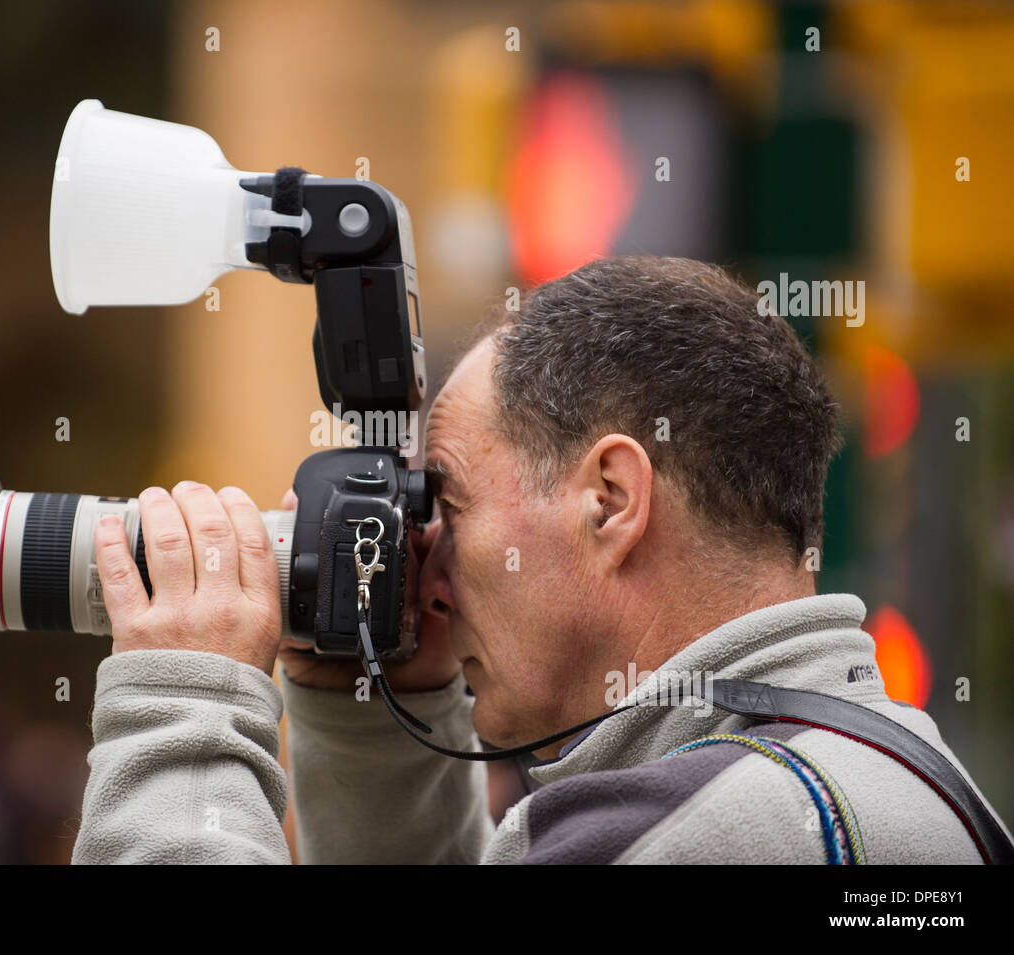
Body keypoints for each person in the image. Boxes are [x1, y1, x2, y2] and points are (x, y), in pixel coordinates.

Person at [71, 255, 1009, 864]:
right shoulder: (868, 778)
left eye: (449, 504)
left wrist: (181, 708)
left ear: (611, 500)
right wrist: (370, 730)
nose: (425, 574)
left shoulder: (724, 828)